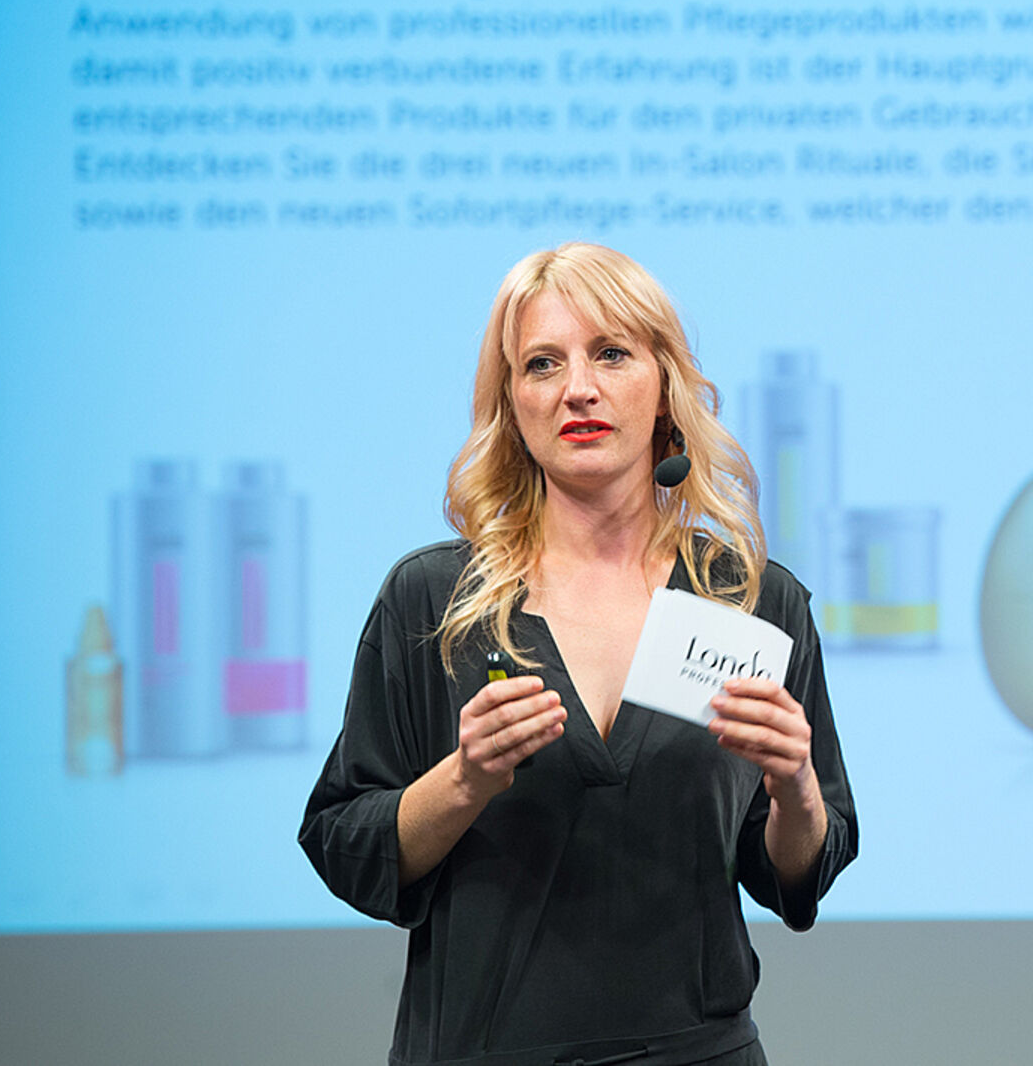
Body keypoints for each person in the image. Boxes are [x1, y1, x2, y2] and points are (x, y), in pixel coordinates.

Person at [300, 243, 857, 1066]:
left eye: (611, 354)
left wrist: (796, 789)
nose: (578, 389)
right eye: (542, 364)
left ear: (665, 388)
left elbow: (794, 877)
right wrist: (464, 780)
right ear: (513, 403)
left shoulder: (751, 601)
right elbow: (345, 843)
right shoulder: (432, 601)